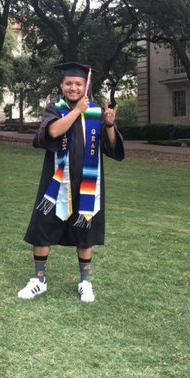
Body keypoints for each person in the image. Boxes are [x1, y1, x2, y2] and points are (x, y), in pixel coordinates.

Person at [18, 62, 124, 303]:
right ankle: (39, 280)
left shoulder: (96, 111)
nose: (73, 88)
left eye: (78, 83)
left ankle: (85, 283)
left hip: (88, 184)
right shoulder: (54, 109)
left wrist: (108, 125)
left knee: (85, 229)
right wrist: (77, 111)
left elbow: (112, 147)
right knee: (43, 226)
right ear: (62, 85)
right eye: (69, 83)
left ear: (86, 85)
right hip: (56, 181)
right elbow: (52, 133)